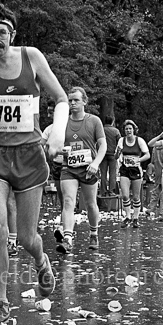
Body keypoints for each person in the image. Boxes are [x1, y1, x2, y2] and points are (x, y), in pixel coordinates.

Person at [0, 2, 68, 325]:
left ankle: (42, 261)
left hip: (30, 156)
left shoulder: (31, 57)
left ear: (12, 34)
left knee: (27, 238)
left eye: (1, 32)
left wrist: (58, 132)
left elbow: (61, 98)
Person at [55, 87, 106, 253]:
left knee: (90, 204)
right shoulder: (63, 122)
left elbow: (103, 145)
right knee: (69, 200)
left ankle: (93, 233)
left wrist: (96, 163)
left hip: (88, 168)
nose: (72, 103)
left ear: (84, 101)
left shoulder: (94, 121)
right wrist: (60, 149)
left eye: (76, 100)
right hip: (68, 168)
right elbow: (55, 145)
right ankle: (68, 238)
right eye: (70, 100)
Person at [116, 120, 150, 228]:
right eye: (126, 129)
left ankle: (135, 218)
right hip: (125, 169)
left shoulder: (139, 140)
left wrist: (138, 160)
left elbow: (147, 155)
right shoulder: (121, 140)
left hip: (135, 170)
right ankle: (127, 217)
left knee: (136, 197)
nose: (128, 131)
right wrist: (118, 152)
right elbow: (116, 156)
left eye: (130, 129)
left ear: (134, 130)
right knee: (125, 195)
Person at [100, 116, 121, 196]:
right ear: (112, 122)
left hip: (102, 154)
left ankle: (103, 191)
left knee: (103, 173)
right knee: (113, 173)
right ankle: (111, 191)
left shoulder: (101, 130)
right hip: (113, 154)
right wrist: (118, 153)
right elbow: (120, 143)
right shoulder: (116, 131)